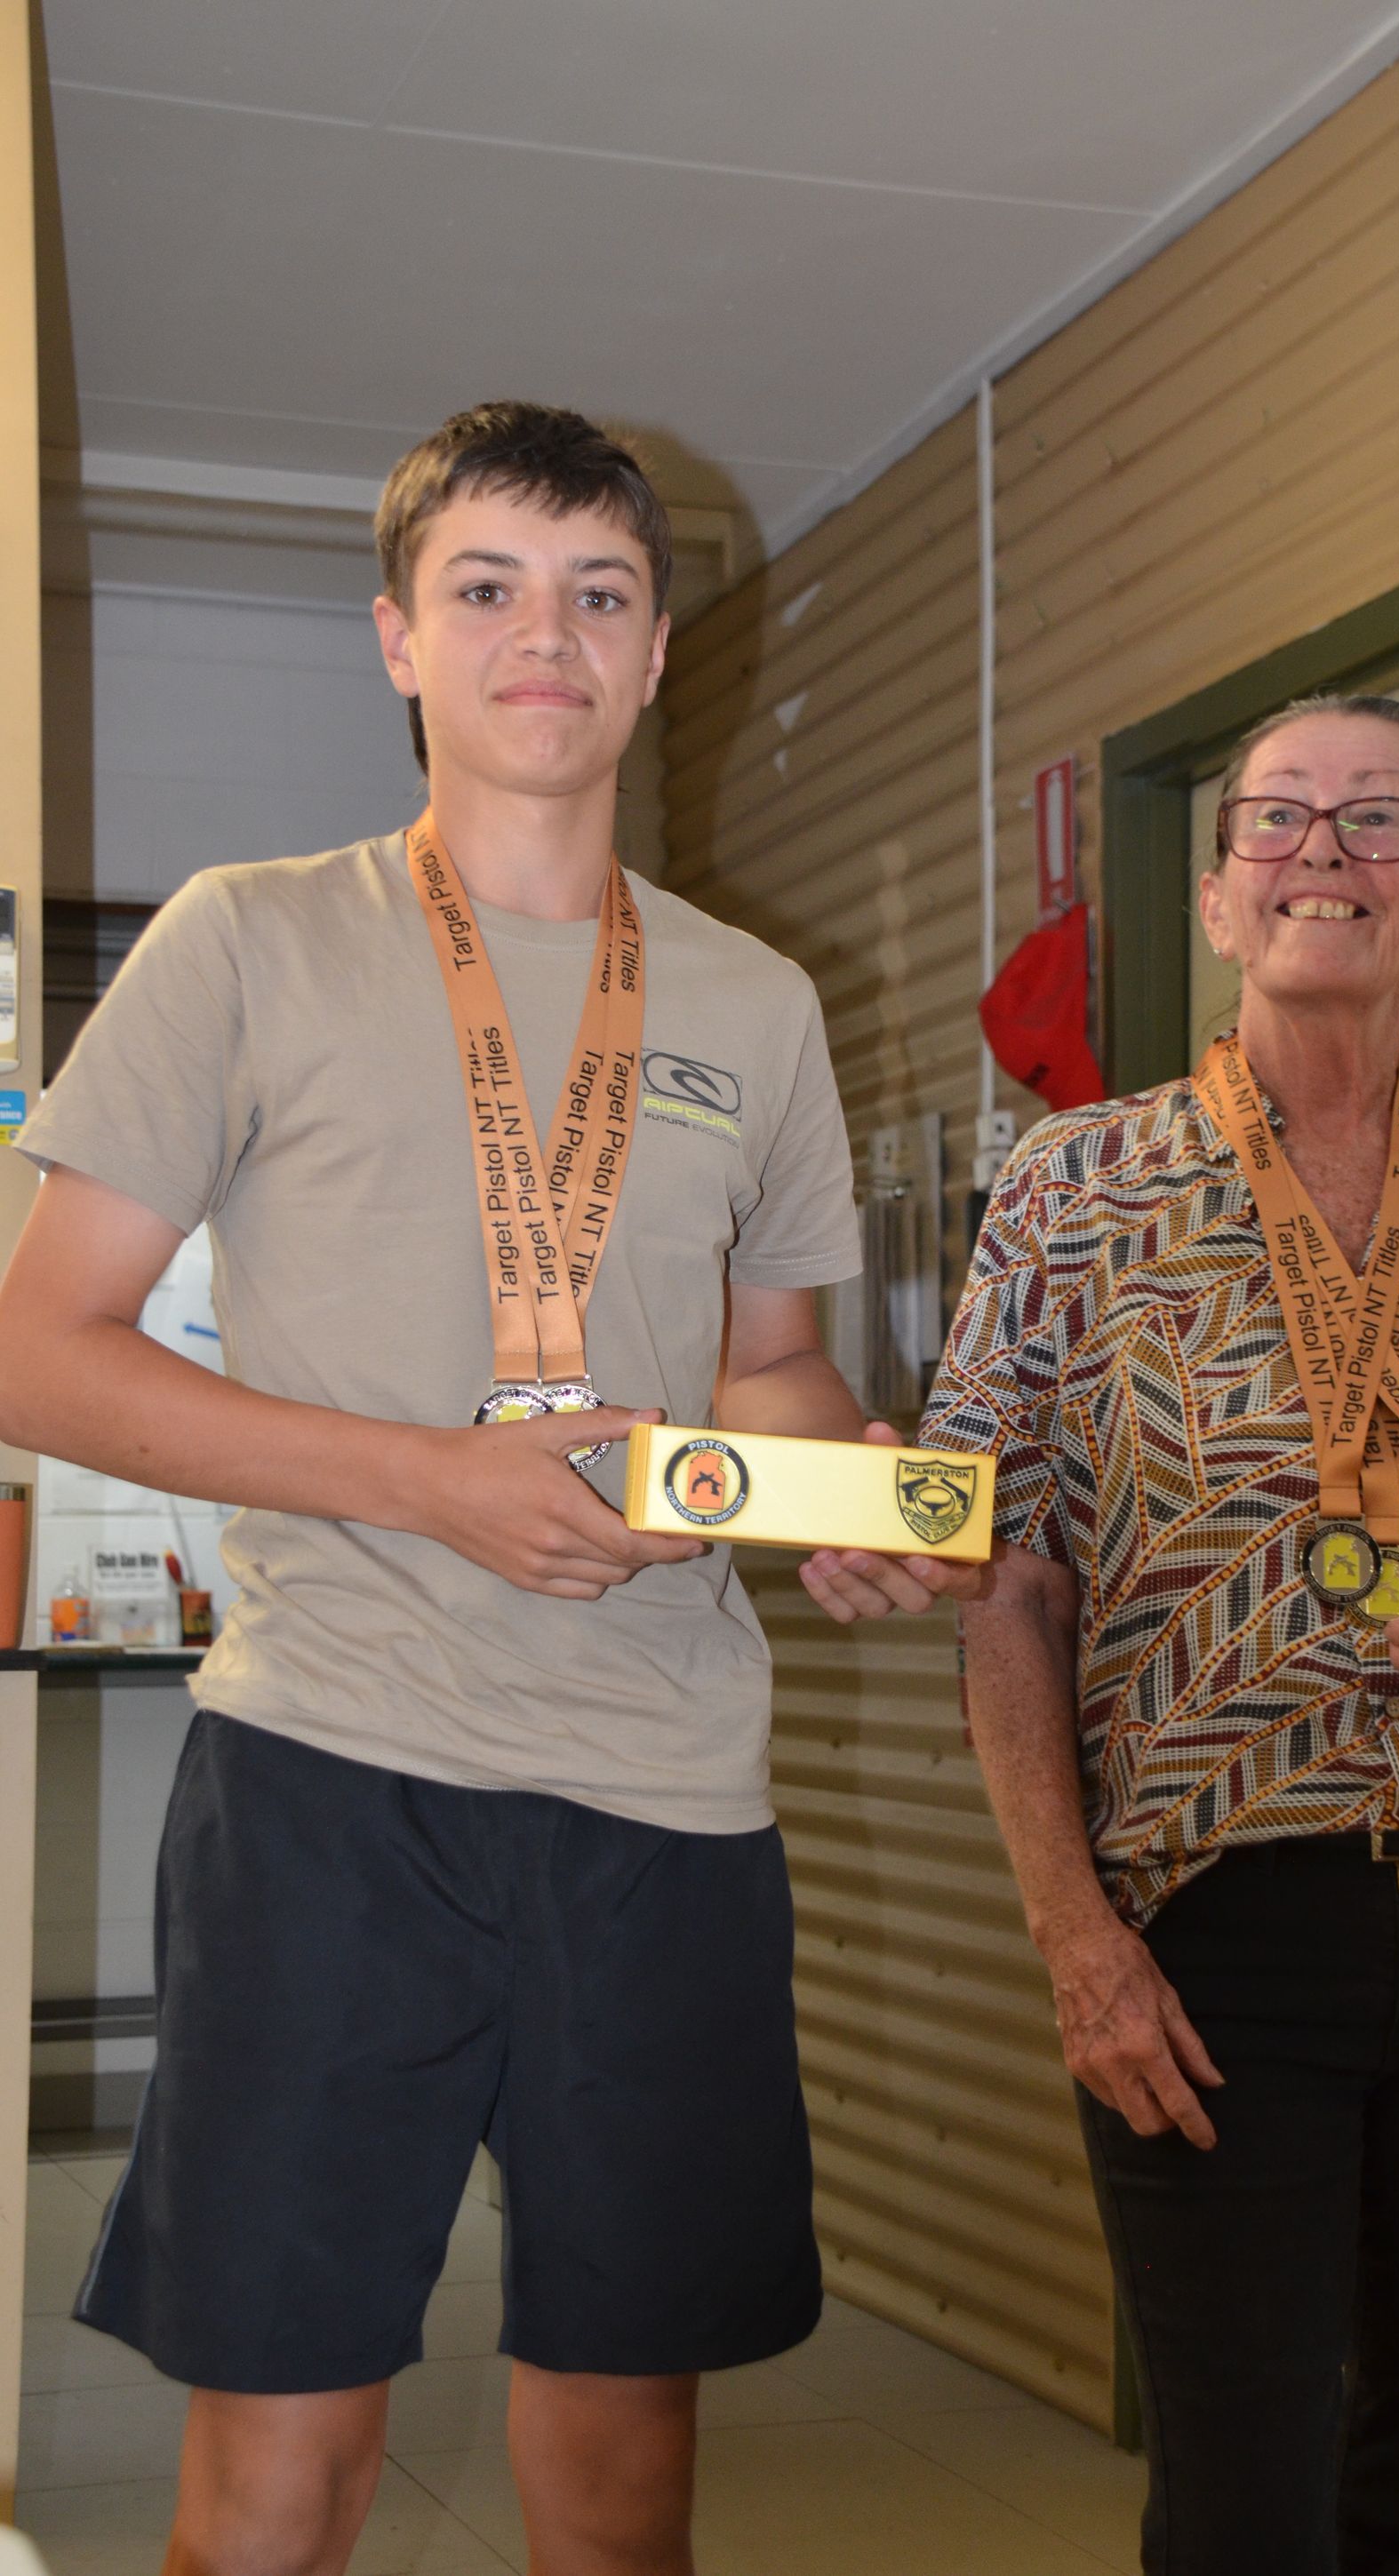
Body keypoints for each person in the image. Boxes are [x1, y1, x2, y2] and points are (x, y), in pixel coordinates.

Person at [0, 401, 976, 2576]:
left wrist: (859, 1508)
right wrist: (437, 1484)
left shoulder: (756, 1001)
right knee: (280, 2481)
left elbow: (781, 1368)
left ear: (649, 663)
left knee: (621, 2487)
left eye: (601, 594)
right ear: (398, 641)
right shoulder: (248, 938)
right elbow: (33, 1346)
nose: (550, 633)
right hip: (331, 1776)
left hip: (666, 1802)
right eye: (490, 587)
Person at [920, 693, 1399, 2575]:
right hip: (1210, 1935)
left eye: (1379, 823)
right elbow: (999, 1579)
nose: (1325, 858)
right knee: (1246, 2504)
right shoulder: (1070, 1189)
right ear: (1215, 900)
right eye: (1278, 822)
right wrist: (1073, 1940)